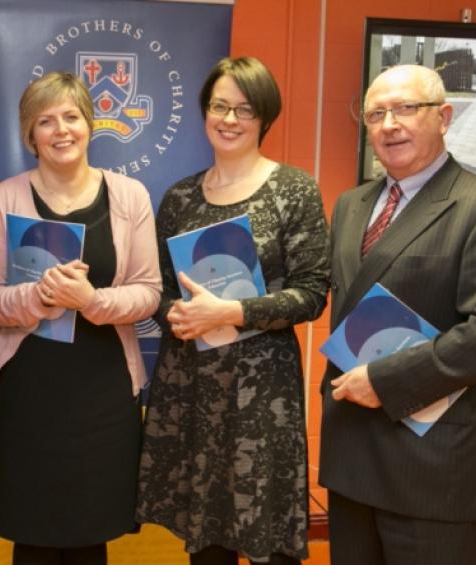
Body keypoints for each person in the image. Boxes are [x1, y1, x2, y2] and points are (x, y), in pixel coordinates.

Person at [319, 64, 476, 565]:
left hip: (432, 464)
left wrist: (385, 380)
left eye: (405, 109)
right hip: (351, 452)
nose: (389, 124)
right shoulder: (350, 206)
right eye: (376, 114)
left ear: (444, 116)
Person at [137, 56, 331, 565]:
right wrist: (175, 314)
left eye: (244, 109)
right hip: (192, 385)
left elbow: (313, 293)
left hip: (261, 393)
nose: (229, 119)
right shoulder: (179, 197)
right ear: (205, 112)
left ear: (265, 117)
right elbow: (156, 289)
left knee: (267, 535)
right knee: (206, 538)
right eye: (219, 106)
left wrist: (232, 312)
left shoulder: (294, 190)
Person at [0, 71, 160, 565]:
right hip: (25, 393)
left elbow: (149, 294)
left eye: (72, 117)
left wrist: (89, 300)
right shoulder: (1, 200)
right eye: (45, 121)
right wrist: (38, 299)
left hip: (101, 393)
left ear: (90, 124)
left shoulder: (129, 197)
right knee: (31, 531)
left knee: (89, 529)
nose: (61, 130)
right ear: (29, 134)